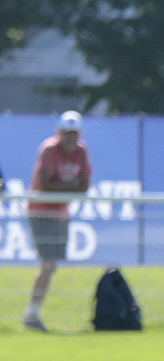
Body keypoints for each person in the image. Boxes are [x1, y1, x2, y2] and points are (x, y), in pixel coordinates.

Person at [23, 111, 92, 332]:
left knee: (50, 266)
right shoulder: (49, 149)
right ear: (58, 132)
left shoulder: (82, 150)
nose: (70, 138)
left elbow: (85, 184)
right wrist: (70, 186)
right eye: (66, 133)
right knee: (49, 263)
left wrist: (62, 187)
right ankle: (32, 313)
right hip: (41, 211)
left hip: (61, 212)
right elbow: (45, 185)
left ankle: (33, 312)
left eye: (74, 134)